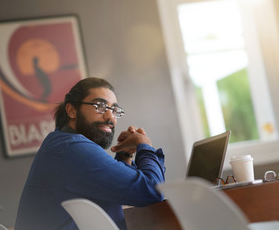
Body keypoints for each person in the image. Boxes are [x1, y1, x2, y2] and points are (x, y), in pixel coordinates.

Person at [14, 77, 166, 230]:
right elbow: (153, 191)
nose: (110, 117)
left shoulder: (63, 145)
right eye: (100, 106)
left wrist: (125, 154)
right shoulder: (73, 149)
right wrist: (144, 145)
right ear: (72, 110)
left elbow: (123, 190)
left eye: (114, 110)